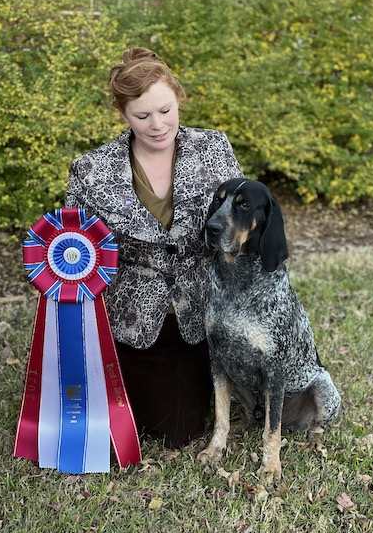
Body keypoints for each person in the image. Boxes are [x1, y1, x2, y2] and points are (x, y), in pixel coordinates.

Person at [65, 47, 243, 448]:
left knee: (180, 429)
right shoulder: (90, 170)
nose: (158, 125)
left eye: (165, 110)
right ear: (123, 114)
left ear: (178, 97)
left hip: (204, 312)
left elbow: (241, 226)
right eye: (142, 116)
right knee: (136, 425)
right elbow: (72, 252)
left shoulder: (215, 148)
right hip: (133, 318)